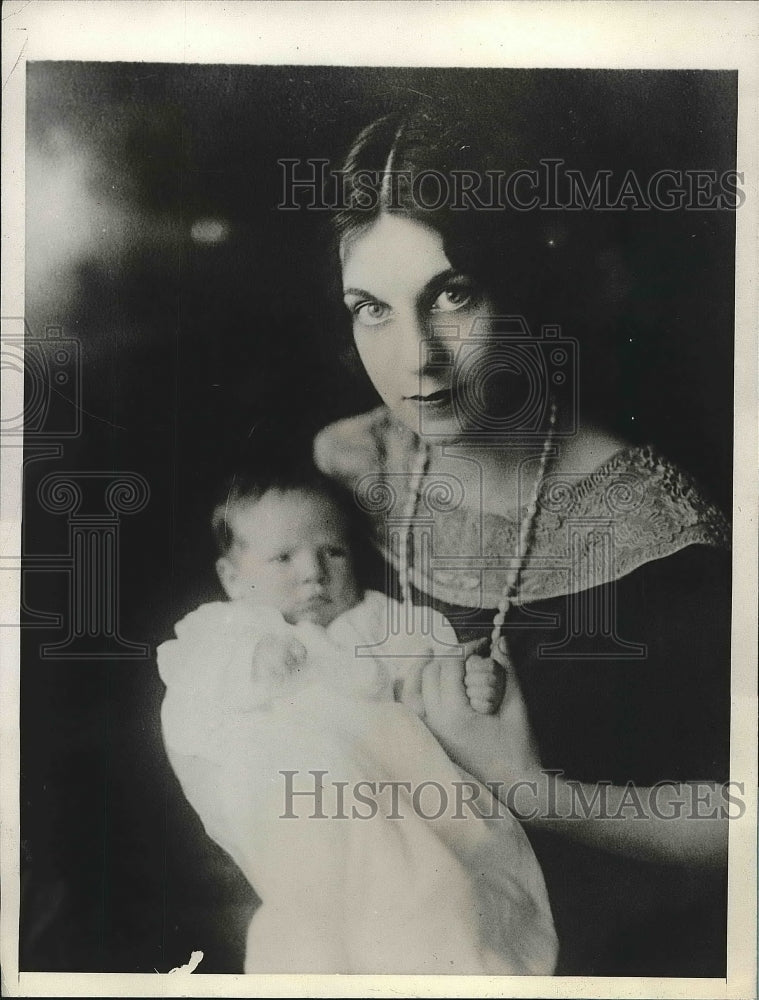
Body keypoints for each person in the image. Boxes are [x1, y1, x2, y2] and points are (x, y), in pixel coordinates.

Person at [314, 105, 732, 976]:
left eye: (452, 295)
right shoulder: (353, 464)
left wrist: (535, 793)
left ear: (525, 282)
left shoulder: (663, 533)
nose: (415, 358)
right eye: (371, 309)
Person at [156, 463, 559, 974]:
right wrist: (250, 662)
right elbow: (189, 672)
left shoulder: (377, 620)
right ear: (233, 578)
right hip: (296, 791)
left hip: (394, 787)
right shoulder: (230, 626)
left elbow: (432, 675)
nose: (313, 572)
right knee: (318, 893)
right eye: (284, 557)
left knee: (431, 883)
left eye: (333, 551)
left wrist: (471, 682)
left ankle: (441, 950)